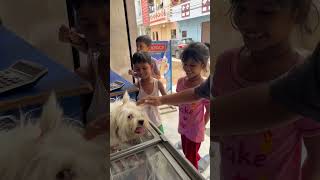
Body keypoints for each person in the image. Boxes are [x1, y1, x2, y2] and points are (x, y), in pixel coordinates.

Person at [213, 0, 320, 179]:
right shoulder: (225, 64)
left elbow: (316, 158)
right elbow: (220, 130)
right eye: (241, 8)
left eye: (265, 12)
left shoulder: (305, 80)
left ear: (297, 14)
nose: (247, 22)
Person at [58, 0, 108, 139]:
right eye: (89, 25)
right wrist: (75, 40)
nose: (101, 33)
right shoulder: (96, 57)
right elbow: (91, 46)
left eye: (109, 22)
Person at [175, 42, 210, 169]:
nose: (187, 68)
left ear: (203, 65)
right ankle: (200, 161)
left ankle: (194, 172)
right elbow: (177, 100)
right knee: (187, 152)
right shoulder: (180, 82)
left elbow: (209, 110)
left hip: (195, 131)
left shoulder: (205, 87)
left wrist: (202, 124)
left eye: (193, 65)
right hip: (183, 126)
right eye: (185, 64)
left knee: (189, 161)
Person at [132, 52, 167, 133]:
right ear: (134, 69)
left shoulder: (158, 83)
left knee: (161, 140)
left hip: (156, 122)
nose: (141, 71)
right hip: (142, 124)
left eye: (144, 68)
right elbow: (133, 105)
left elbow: (166, 99)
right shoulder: (137, 86)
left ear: (151, 66)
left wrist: (158, 100)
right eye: (137, 69)